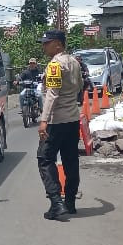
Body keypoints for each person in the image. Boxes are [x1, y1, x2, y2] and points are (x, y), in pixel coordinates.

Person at [36, 29, 85, 220]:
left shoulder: (55, 65)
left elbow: (52, 94)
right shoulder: (74, 62)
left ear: (58, 44)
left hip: (56, 121)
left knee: (45, 158)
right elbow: (80, 86)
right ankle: (70, 202)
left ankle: (56, 202)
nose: (44, 46)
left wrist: (43, 120)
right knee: (70, 160)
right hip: (73, 119)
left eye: (47, 43)